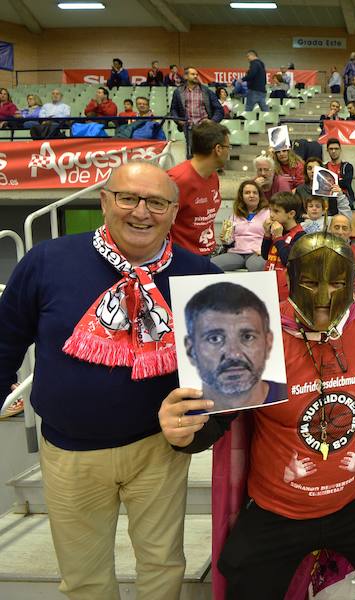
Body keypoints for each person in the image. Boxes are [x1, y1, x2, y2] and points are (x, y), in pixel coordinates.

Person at [0, 162, 219, 600]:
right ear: (104, 201)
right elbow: (5, 340)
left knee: (163, 566)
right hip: (69, 452)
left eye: (157, 202)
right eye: (128, 198)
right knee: (84, 578)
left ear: (174, 212)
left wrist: (197, 433)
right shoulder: (48, 260)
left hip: (158, 451)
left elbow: (224, 376)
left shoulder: (199, 274)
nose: (142, 212)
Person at [160, 231, 355, 600]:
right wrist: (183, 433)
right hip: (279, 509)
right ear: (291, 279)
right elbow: (216, 421)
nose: (324, 299)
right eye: (311, 283)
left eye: (338, 283)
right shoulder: (259, 334)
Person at [182, 282, 283, 412]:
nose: (233, 354)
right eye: (215, 339)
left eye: (247, 337)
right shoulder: (182, 413)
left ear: (268, 343)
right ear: (191, 350)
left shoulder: (292, 399)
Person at [168, 121, 229, 255]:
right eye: (228, 147)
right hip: (181, 258)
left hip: (205, 254)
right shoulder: (177, 180)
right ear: (218, 149)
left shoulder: (212, 175)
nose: (229, 152)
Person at [213, 180, 268, 272]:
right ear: (241, 197)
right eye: (247, 193)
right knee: (211, 264)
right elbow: (229, 240)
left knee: (257, 267)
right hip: (236, 253)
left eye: (255, 193)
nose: (251, 195)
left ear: (259, 196)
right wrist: (224, 240)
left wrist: (265, 250)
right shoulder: (235, 215)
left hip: (257, 253)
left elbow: (274, 236)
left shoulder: (268, 213)